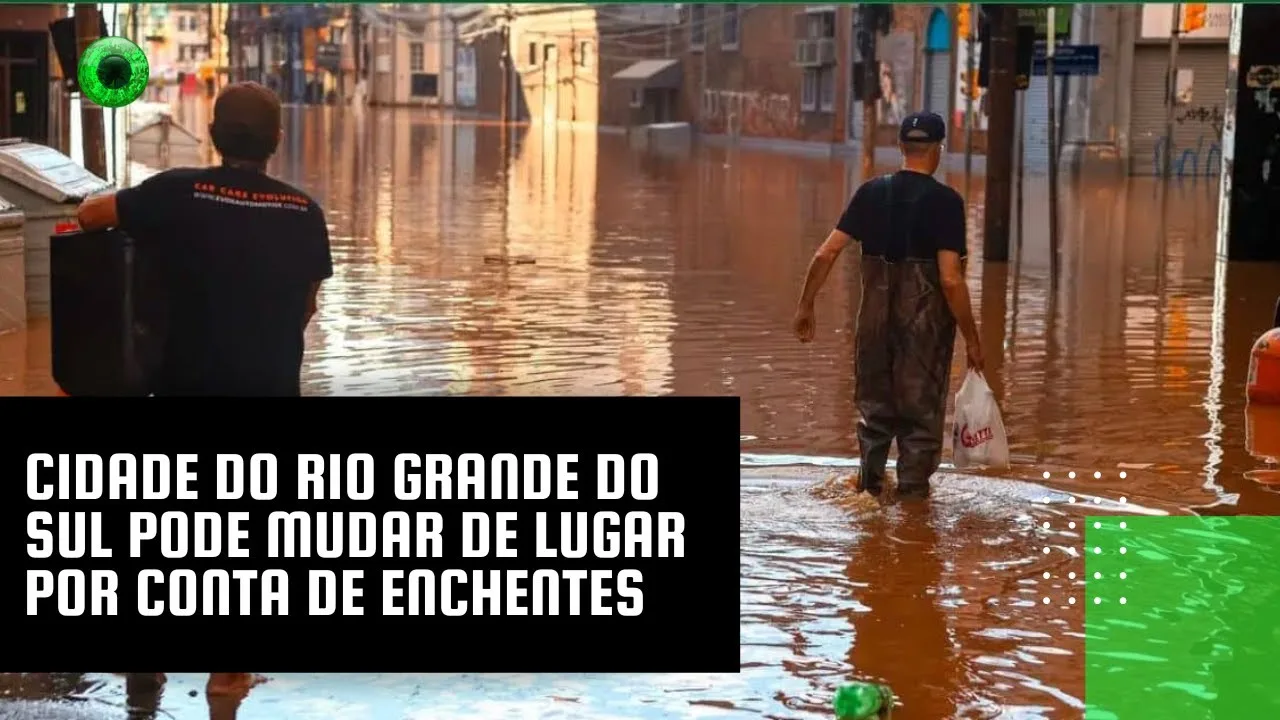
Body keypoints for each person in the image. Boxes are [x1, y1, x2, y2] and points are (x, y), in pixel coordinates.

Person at [76, 81, 333, 396]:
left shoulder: (173, 192)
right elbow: (305, 309)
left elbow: (89, 216)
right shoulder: (306, 213)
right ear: (277, 139)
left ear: (212, 134)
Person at [792, 111, 982, 499]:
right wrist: (973, 338)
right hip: (923, 336)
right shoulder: (946, 203)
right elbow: (949, 279)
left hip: (873, 330)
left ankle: (870, 494)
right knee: (919, 424)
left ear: (900, 148)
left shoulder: (869, 193)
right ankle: (912, 517)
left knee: (875, 419)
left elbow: (826, 253)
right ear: (938, 150)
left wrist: (805, 306)